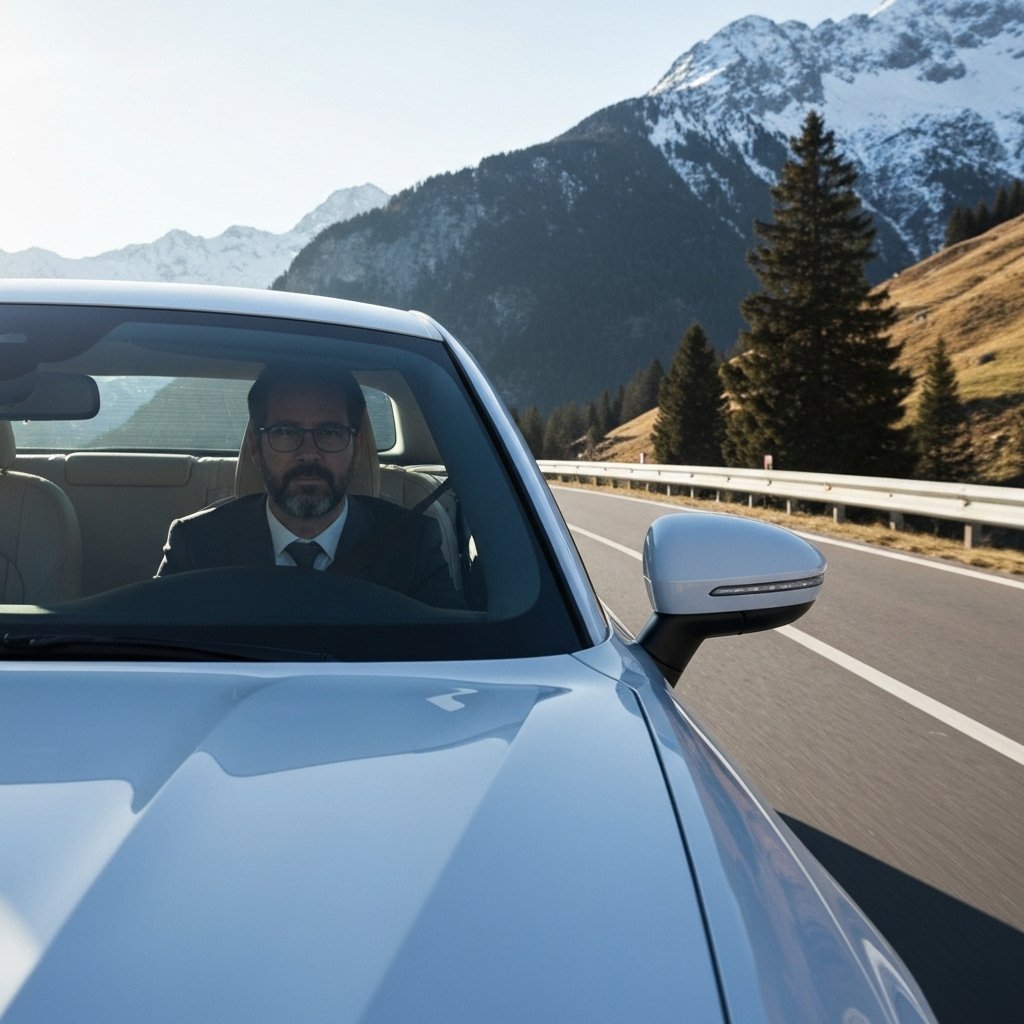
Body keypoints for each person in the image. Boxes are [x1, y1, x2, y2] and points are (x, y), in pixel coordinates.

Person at [156, 363, 462, 608]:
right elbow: (156, 657)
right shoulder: (196, 544)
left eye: (329, 432)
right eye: (286, 432)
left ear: (356, 445)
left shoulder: (412, 544)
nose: (308, 454)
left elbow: (455, 657)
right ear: (255, 447)